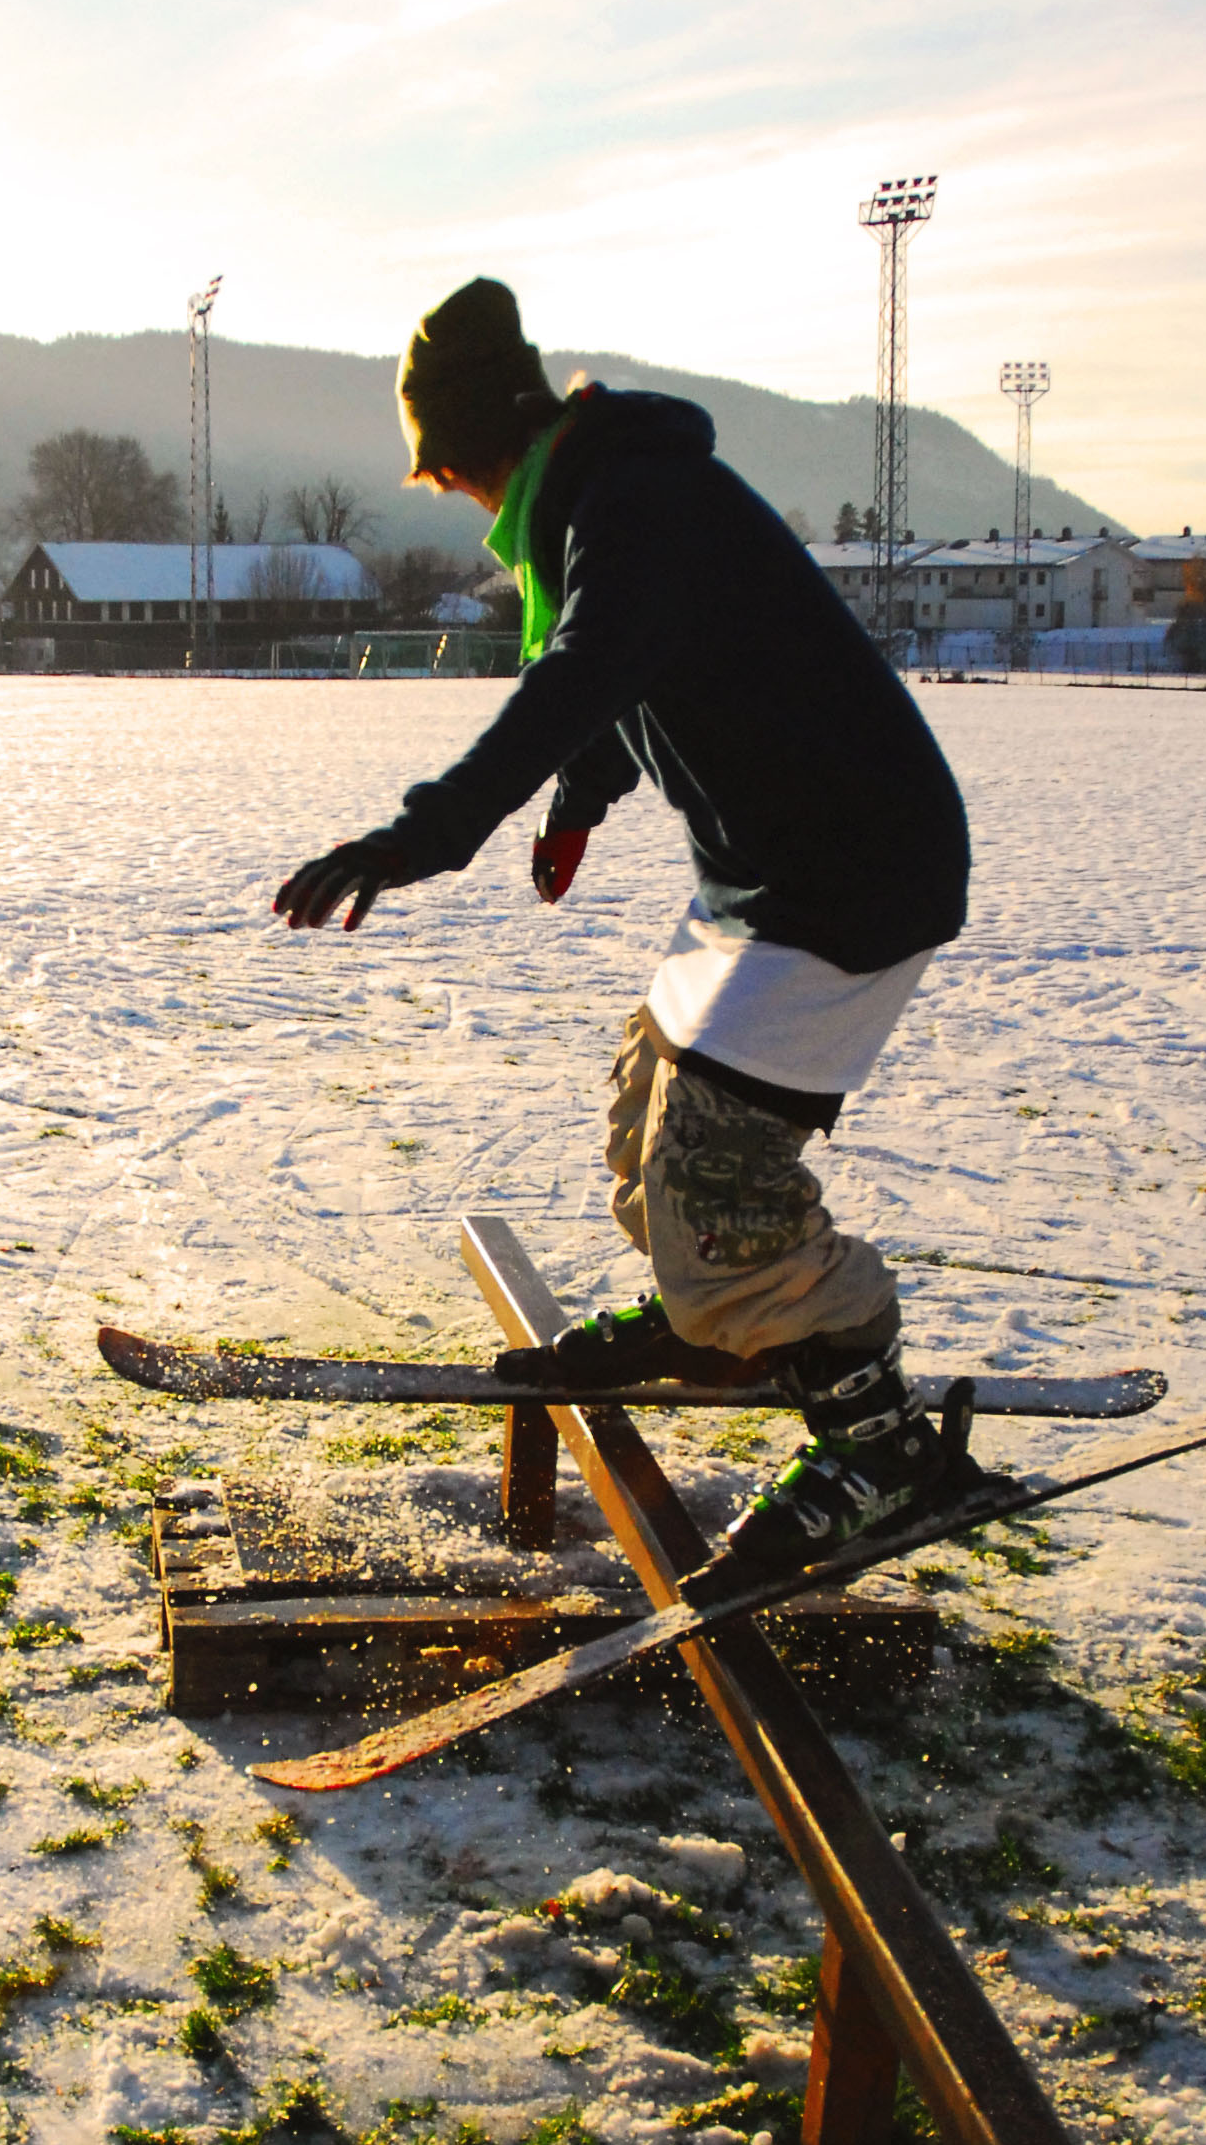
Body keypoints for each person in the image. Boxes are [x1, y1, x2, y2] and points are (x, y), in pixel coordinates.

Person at [272, 274, 971, 1588]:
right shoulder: (608, 495)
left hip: (850, 872)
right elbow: (631, 667)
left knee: (713, 1169)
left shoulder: (631, 499)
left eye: (456, 488)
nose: (474, 519)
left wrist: (426, 833)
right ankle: (718, 1323)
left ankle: (881, 1443)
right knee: (651, 1087)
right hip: (771, 875)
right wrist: (584, 796)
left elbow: (590, 662)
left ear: (478, 457)